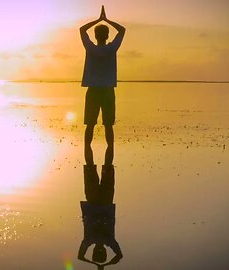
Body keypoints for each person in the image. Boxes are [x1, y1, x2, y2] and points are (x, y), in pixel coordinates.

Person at [80, 6, 125, 166]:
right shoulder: (111, 49)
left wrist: (99, 20)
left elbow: (82, 29)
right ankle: (109, 156)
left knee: (90, 124)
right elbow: (122, 30)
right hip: (107, 92)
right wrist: (106, 20)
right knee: (108, 125)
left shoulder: (91, 48)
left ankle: (88, 154)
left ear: (96, 36)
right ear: (107, 36)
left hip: (93, 91)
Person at [78, 164, 122, 269]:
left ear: (105, 252)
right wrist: (97, 265)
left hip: (104, 202)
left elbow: (119, 256)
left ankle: (109, 146)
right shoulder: (89, 240)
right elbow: (80, 256)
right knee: (90, 164)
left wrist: (102, 265)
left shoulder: (109, 240)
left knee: (107, 165)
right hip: (94, 202)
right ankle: (89, 145)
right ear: (93, 251)